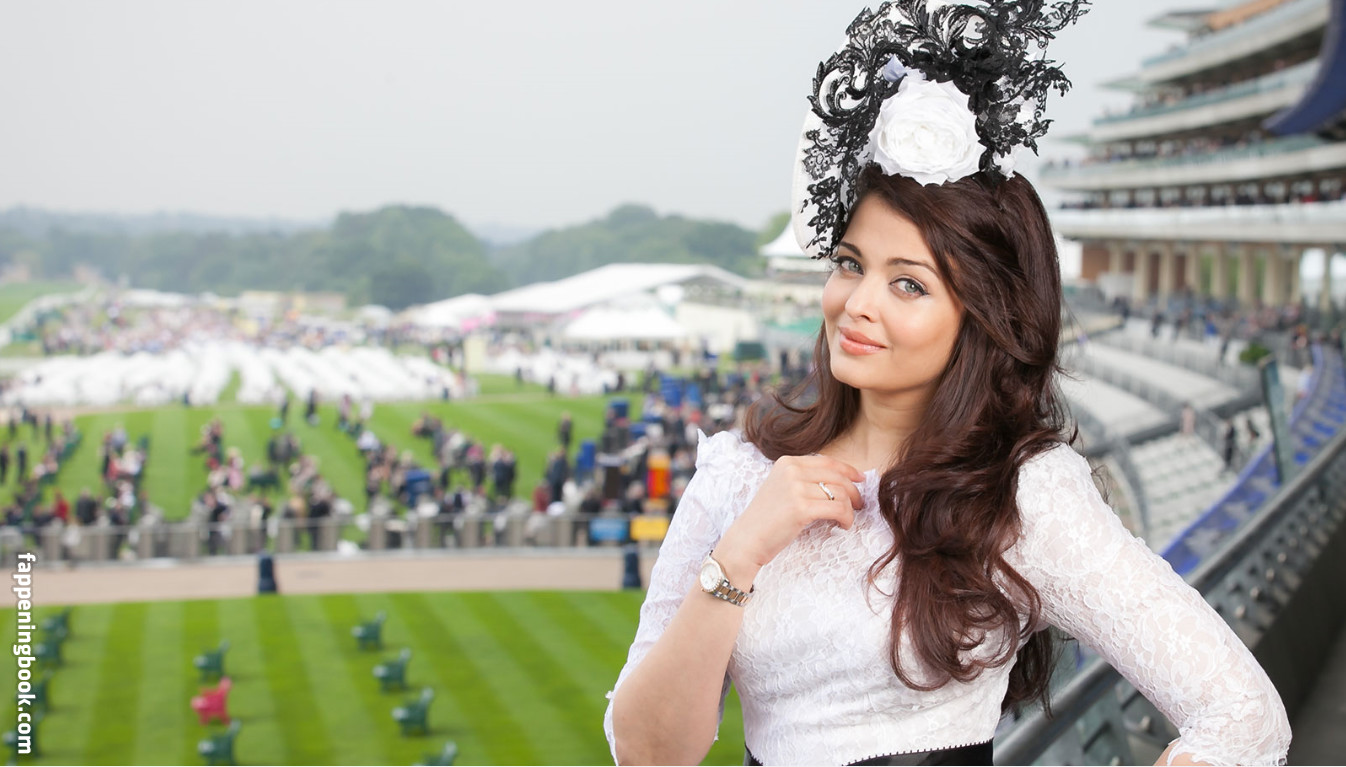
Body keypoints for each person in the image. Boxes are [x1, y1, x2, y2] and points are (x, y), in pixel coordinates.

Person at [604, 4, 1290, 766]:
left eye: (909, 283)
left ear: (980, 318)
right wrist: (739, 554)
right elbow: (646, 752)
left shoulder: (1020, 495)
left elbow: (1244, 716)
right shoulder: (739, 475)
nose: (857, 303)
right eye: (851, 264)